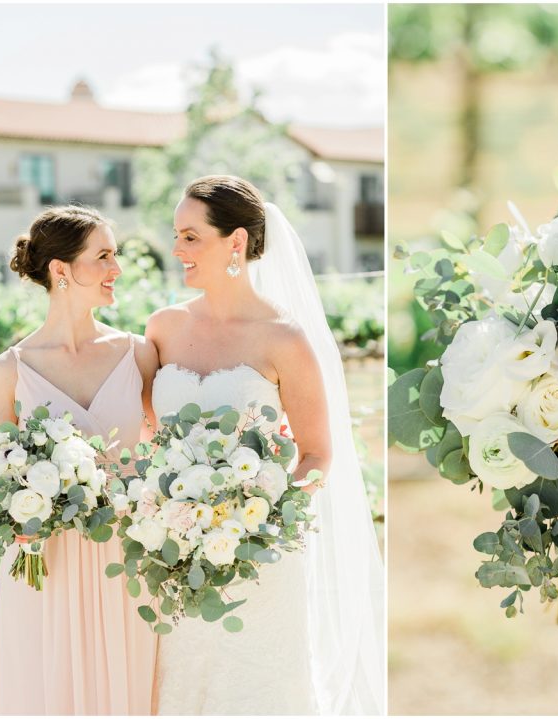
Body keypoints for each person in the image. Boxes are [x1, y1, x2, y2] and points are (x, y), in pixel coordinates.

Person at [146, 176, 384, 715]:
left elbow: (318, 453)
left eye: (190, 237)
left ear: (234, 243)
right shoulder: (161, 328)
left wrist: (259, 518)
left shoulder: (285, 337)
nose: (177, 249)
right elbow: (145, 434)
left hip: (258, 552)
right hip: (176, 547)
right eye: (176, 236)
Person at [0, 205, 158, 714]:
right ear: (61, 271)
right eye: (102, 256)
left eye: (115, 255)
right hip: (46, 560)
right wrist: (25, 512)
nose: (116, 269)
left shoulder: (138, 353)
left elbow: (166, 449)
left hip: (127, 556)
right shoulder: (10, 369)